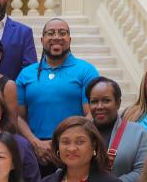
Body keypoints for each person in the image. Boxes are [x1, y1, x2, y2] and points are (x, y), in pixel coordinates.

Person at [16, 18, 100, 170]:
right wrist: (35, 143)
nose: (56, 37)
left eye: (62, 33)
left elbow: (91, 114)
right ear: (42, 40)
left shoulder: (86, 70)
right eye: (50, 33)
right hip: (36, 152)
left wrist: (66, 143)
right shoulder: (26, 73)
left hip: (73, 150)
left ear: (69, 39)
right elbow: (18, 116)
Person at [84, 76, 147, 182]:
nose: (99, 106)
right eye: (94, 101)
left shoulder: (137, 132)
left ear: (118, 103)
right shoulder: (79, 132)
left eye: (106, 100)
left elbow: (143, 172)